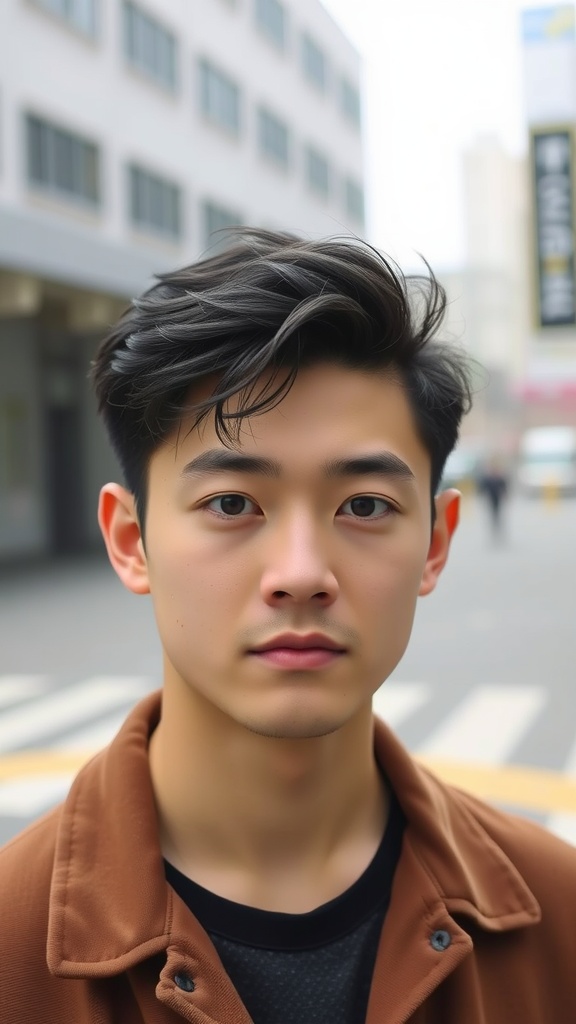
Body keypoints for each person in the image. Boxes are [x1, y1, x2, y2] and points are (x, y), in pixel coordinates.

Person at [1, 229, 576, 1024]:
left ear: (435, 544)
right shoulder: (12, 945)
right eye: (232, 504)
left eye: (365, 506)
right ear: (131, 542)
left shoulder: (559, 918)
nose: (303, 572)